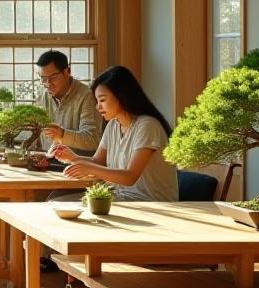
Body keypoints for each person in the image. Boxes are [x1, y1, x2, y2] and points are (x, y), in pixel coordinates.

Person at [50, 65, 179, 202]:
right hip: (120, 197)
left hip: (149, 203)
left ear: (121, 96)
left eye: (102, 100)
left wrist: (89, 168)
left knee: (60, 202)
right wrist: (72, 158)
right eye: (97, 101)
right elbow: (98, 162)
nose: (98, 106)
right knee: (55, 199)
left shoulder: (147, 125)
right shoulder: (113, 125)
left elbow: (129, 177)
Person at [34, 50, 103, 156]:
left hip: (78, 166)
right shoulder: (42, 94)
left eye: (53, 77)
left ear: (67, 72)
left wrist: (62, 134)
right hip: (46, 163)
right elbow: (35, 133)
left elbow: (92, 140)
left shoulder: (87, 96)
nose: (48, 84)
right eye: (43, 79)